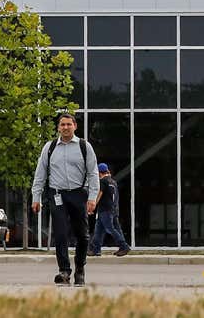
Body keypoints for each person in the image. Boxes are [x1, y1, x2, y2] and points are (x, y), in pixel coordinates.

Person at [30, 112, 100, 286]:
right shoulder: (50, 147)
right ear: (58, 127)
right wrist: (36, 197)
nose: (66, 128)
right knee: (60, 233)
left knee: (82, 235)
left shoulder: (84, 146)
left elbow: (93, 173)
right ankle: (64, 271)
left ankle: (80, 268)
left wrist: (92, 197)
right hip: (57, 194)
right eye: (63, 125)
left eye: (69, 124)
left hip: (78, 193)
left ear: (75, 126)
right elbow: (40, 174)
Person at [88, 162, 131, 256]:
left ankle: (124, 246)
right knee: (99, 230)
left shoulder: (103, 181)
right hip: (113, 209)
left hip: (105, 210)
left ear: (100, 172)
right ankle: (96, 250)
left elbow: (99, 194)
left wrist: (92, 206)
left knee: (110, 229)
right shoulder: (113, 181)